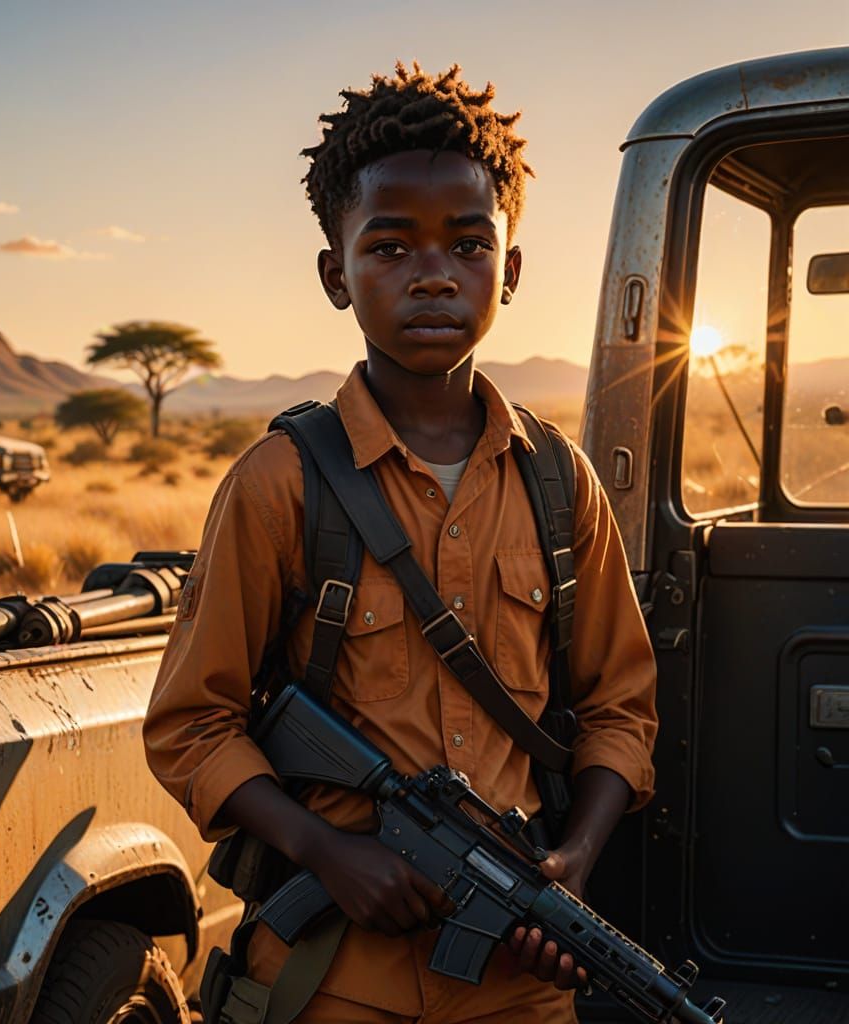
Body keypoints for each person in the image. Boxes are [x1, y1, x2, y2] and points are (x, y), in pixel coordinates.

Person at [143, 62, 657, 1023]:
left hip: (515, 989)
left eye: (468, 245)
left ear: (508, 272)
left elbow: (620, 712)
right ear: (336, 272)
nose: (432, 273)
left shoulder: (560, 484)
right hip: (331, 979)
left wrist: (568, 867)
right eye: (389, 247)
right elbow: (192, 726)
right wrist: (324, 852)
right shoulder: (278, 485)